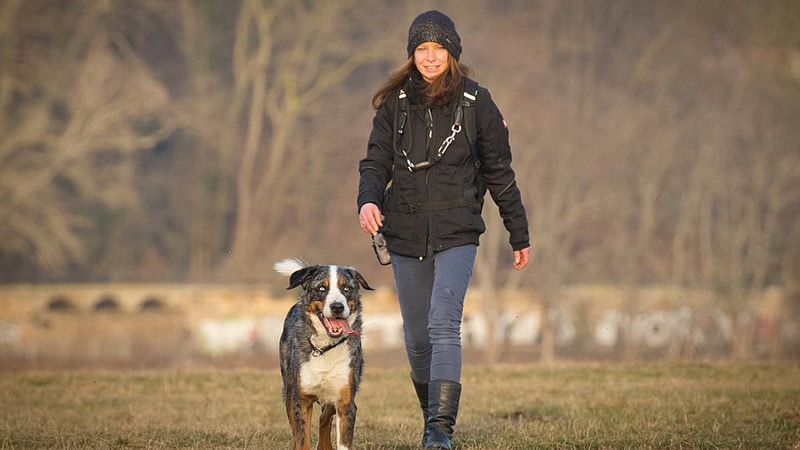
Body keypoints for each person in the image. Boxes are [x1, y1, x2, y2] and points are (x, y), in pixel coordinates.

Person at [357, 10, 530, 450]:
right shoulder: (394, 106)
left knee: (442, 323)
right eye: (421, 49)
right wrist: (369, 200)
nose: (430, 58)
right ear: (412, 55)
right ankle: (431, 416)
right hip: (406, 231)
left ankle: (439, 433)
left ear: (452, 53)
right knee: (415, 337)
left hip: (457, 230)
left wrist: (518, 232)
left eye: (437, 49)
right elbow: (376, 162)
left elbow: (499, 172)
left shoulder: (477, 103)